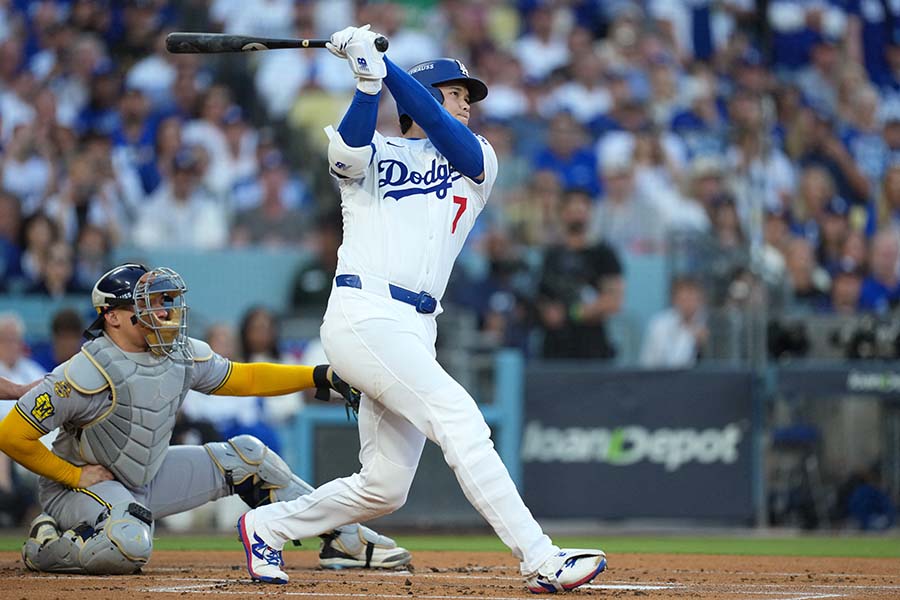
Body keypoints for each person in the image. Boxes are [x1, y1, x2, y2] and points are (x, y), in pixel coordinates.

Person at [236, 25, 607, 593]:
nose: (466, 103)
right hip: (363, 312)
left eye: (468, 95)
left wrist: (385, 69)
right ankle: (540, 557)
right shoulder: (378, 149)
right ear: (425, 97)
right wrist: (368, 83)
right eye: (455, 93)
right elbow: (349, 154)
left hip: (417, 327)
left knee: (384, 487)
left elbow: (440, 128)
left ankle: (267, 526)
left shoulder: (476, 158)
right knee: (460, 419)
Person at [0, 263, 411, 575]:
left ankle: (343, 539)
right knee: (129, 546)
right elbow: (12, 435)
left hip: (145, 478)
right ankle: (46, 543)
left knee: (249, 458)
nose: (163, 310)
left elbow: (244, 377)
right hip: (79, 490)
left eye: (163, 300)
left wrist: (318, 375)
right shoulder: (84, 371)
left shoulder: (180, 352)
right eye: (148, 302)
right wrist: (72, 476)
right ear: (113, 316)